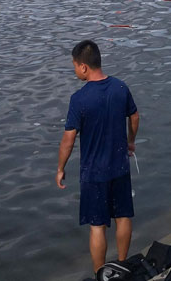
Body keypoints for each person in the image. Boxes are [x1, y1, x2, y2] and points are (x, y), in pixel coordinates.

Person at [56, 40, 140, 275]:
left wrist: (60, 168)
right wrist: (130, 141)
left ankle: (101, 274)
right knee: (123, 216)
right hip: (120, 167)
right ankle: (122, 266)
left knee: (97, 226)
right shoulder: (120, 88)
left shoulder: (79, 99)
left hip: (94, 173)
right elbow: (134, 117)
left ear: (83, 67)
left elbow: (68, 139)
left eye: (74, 65)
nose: (74, 71)